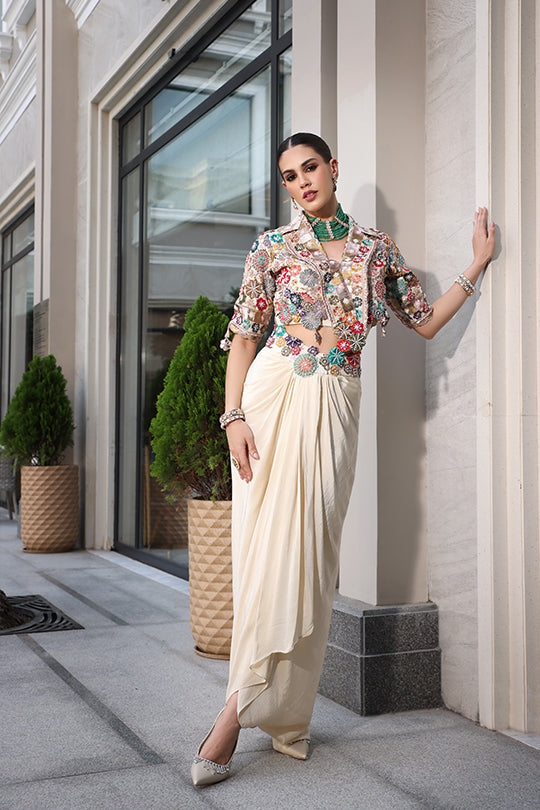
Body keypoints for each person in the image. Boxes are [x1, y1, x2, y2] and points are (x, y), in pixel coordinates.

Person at [191, 132, 496, 787]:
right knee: (266, 559)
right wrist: (232, 418)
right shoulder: (273, 247)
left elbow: (423, 320)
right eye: (289, 175)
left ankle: (282, 713)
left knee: (310, 560)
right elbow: (243, 339)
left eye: (310, 167)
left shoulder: (374, 250)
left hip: (335, 405)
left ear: (332, 168)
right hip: (271, 398)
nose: (302, 181)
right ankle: (232, 715)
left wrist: (476, 264)